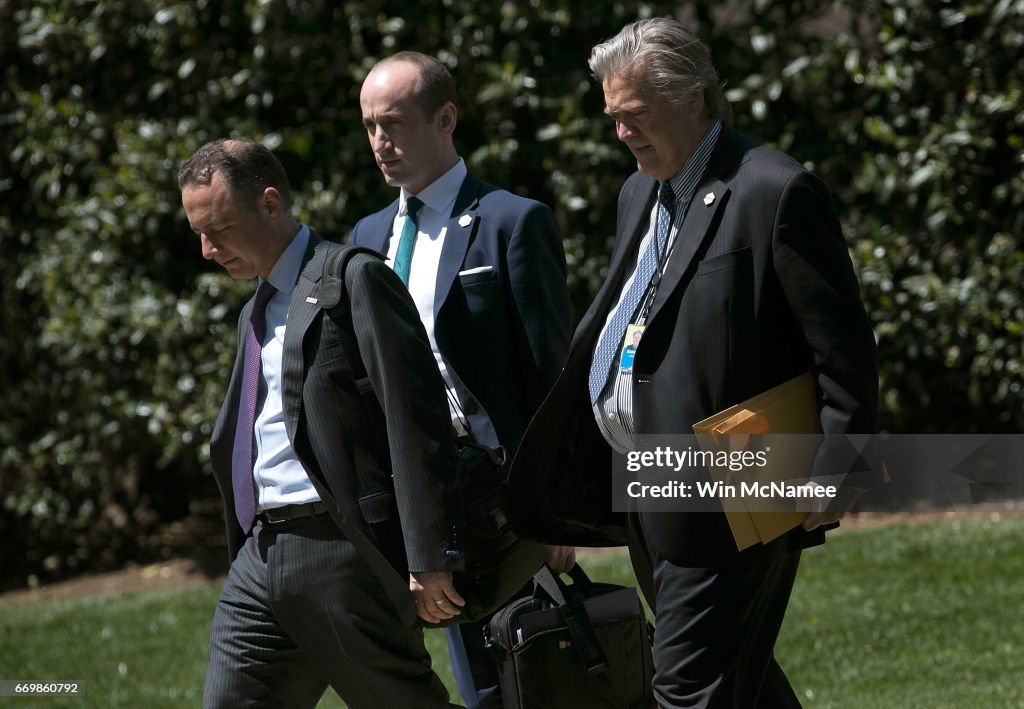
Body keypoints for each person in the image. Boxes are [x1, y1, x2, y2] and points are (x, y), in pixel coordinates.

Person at [507, 18, 880, 708]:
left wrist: (833, 471)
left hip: (736, 479)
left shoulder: (773, 189)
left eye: (636, 115)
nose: (622, 133)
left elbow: (845, 353)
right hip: (646, 483)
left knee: (685, 688)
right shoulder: (637, 192)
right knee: (739, 677)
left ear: (694, 98)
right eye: (613, 117)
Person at [179, 137, 464, 708]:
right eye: (199, 234)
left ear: (269, 204)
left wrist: (429, 555)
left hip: (339, 552)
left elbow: (417, 420)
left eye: (221, 228)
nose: (208, 250)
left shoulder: (354, 279)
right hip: (259, 557)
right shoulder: (252, 312)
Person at [351, 51, 573, 709]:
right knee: (479, 678)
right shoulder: (367, 238)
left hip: (508, 487)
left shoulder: (512, 221)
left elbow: (551, 370)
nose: (379, 143)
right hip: (429, 495)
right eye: (368, 126)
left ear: (445, 119)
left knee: (547, 665)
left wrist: (559, 500)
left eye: (392, 123)